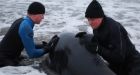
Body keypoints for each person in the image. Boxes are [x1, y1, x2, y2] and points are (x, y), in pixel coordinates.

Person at [83, 0, 140, 75]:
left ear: (100, 17)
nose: (90, 23)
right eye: (88, 19)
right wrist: (85, 37)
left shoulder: (113, 28)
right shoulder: (96, 27)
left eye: (92, 19)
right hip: (117, 66)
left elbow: (119, 58)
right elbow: (98, 42)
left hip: (133, 64)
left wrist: (98, 49)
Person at [0, 2, 57, 67]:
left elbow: (27, 44)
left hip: (7, 56)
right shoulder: (26, 27)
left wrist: (44, 46)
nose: (43, 18)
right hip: (4, 61)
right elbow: (32, 54)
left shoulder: (22, 21)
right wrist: (47, 49)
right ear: (36, 14)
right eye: (42, 15)